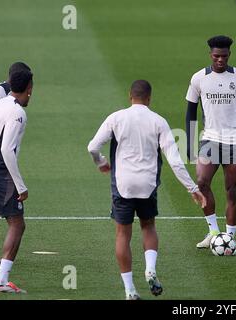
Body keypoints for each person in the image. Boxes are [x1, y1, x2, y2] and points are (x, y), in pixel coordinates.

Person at [88, 80, 206, 300]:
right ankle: (150, 269)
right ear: (149, 98)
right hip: (148, 185)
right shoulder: (159, 122)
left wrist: (101, 162)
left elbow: (92, 146)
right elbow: (175, 161)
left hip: (123, 185)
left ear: (129, 95)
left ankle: (130, 290)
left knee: (123, 233)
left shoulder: (116, 118)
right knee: (148, 226)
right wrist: (193, 188)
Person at [186, 35, 236, 252]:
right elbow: (190, 112)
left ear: (229, 54)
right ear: (210, 55)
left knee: (232, 189)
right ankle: (213, 232)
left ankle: (230, 238)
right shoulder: (198, 78)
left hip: (234, 139)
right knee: (201, 183)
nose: (220, 60)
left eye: (224, 56)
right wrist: (189, 142)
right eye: (216, 56)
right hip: (210, 138)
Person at [0, 68, 33, 293]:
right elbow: (7, 150)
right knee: (17, 223)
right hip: (1, 171)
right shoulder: (18, 113)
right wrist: (21, 185)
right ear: (29, 89)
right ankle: (1, 280)